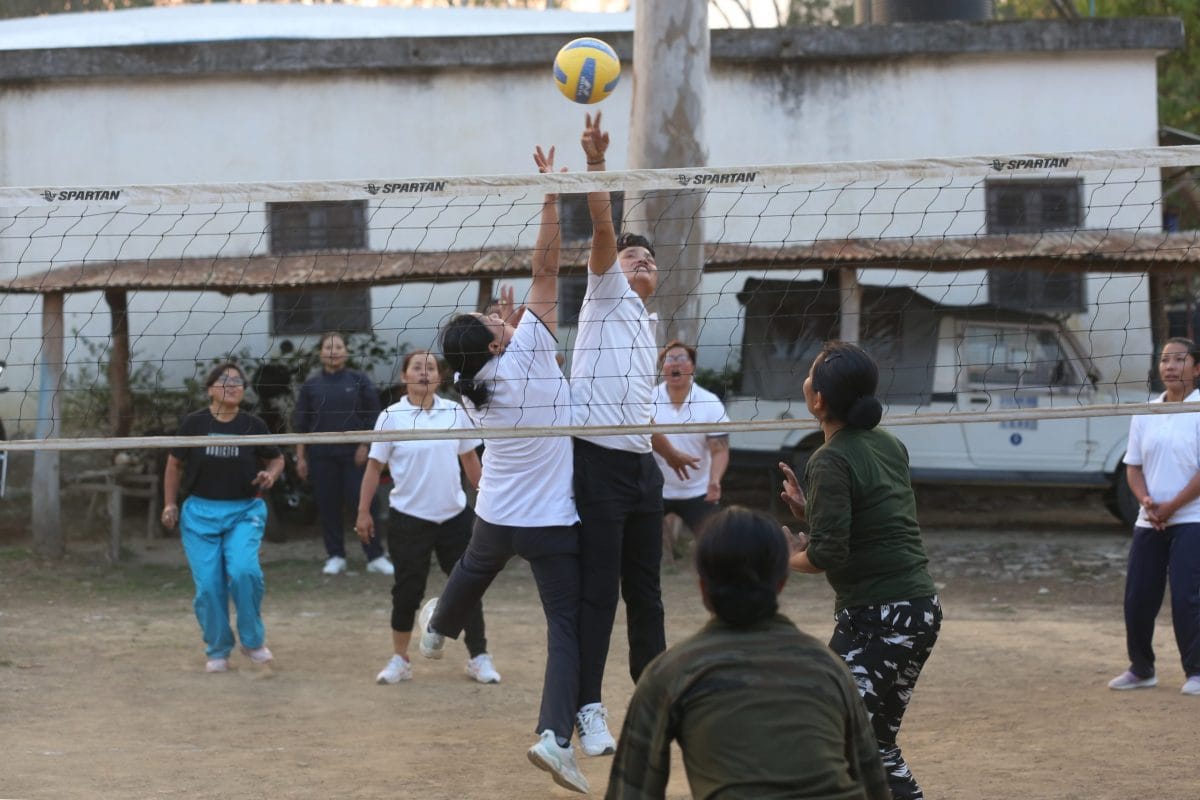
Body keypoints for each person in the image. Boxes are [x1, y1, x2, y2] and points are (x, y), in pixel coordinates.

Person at [418, 145, 589, 793]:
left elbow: (505, 330)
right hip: (549, 522)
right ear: (493, 343)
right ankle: (553, 738)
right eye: (490, 318)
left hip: (496, 516)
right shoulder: (532, 356)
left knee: (470, 571)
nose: (499, 313)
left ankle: (436, 631)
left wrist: (509, 326)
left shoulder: (473, 384)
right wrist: (549, 194)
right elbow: (548, 266)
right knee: (565, 629)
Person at [569, 111, 700, 757]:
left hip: (638, 469)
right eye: (632, 254)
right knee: (600, 594)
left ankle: (652, 701)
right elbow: (601, 227)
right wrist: (597, 167)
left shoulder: (647, 324)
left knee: (646, 593)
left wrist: (667, 446)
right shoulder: (604, 291)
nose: (641, 260)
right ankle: (587, 709)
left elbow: (633, 405)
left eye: (649, 258)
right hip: (594, 466)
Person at [606, 506, 890, 800]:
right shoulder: (829, 668)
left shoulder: (671, 673)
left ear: (703, 586)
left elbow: (631, 791)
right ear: (781, 583)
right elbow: (874, 783)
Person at [781, 340, 941, 800]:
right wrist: (812, 511)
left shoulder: (828, 459)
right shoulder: (888, 443)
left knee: (824, 733)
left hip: (881, 618)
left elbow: (828, 554)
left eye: (810, 375)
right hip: (918, 610)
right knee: (874, 743)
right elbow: (871, 521)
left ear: (818, 400)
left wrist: (779, 557)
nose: (806, 379)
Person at [354, 349, 501, 686]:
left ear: (439, 377)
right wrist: (363, 512)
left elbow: (470, 463)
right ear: (405, 376)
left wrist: (490, 502)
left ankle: (479, 657)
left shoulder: (455, 412)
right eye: (417, 368)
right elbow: (374, 467)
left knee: (468, 589)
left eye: (430, 368)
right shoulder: (391, 416)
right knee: (407, 591)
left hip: (454, 517)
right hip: (409, 518)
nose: (424, 373)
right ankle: (400, 659)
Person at [161, 362, 285, 673]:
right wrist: (169, 503)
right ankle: (217, 649)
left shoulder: (253, 425)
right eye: (225, 381)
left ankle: (253, 641)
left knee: (245, 572)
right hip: (200, 513)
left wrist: (269, 476)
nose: (233, 386)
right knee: (209, 586)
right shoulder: (193, 423)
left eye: (238, 382)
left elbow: (277, 459)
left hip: (244, 510)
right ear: (210, 388)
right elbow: (174, 464)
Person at [1108, 336, 1200, 696]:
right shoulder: (1147, 410)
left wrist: (1172, 506)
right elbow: (1133, 466)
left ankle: (1195, 671)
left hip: (1192, 517)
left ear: (1196, 368)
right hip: (1150, 520)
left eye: (1179, 360)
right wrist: (1146, 500)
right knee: (1138, 597)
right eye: (1165, 360)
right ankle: (1141, 668)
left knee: (1186, 596)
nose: (1171, 366)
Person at [293, 331, 393, 576]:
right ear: (320, 353)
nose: (334, 350)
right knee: (328, 506)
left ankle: (375, 555)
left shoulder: (359, 380)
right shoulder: (311, 385)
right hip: (321, 455)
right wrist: (301, 457)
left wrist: (364, 445)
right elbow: (301, 424)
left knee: (364, 503)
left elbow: (374, 416)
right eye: (328, 346)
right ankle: (336, 555)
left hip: (355, 455)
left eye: (338, 346)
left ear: (346, 351)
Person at [651, 341, 731, 544]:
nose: (675, 363)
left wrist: (715, 480)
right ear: (663, 368)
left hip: (698, 490)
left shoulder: (710, 402)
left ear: (692, 367)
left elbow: (719, 449)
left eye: (681, 358)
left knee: (716, 545)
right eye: (669, 359)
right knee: (638, 547)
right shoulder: (647, 399)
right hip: (655, 489)